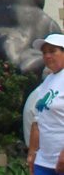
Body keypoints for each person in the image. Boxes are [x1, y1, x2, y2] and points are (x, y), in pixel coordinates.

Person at [28, 33, 64, 174]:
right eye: (44, 53)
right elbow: (38, 121)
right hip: (44, 161)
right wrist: (32, 152)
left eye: (52, 51)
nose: (47, 56)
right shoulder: (47, 81)